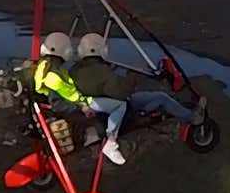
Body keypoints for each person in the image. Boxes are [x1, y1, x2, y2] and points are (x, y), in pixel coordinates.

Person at [33, 32, 128, 165]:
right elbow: (69, 95)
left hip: (76, 103)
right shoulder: (54, 75)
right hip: (80, 103)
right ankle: (111, 142)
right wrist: (83, 106)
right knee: (120, 105)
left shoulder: (45, 68)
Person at [73, 33, 206, 125]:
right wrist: (133, 76)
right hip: (117, 108)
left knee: (151, 97)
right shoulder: (103, 71)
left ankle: (154, 110)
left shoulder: (74, 70)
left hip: (96, 107)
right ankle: (193, 117)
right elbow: (121, 93)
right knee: (161, 98)